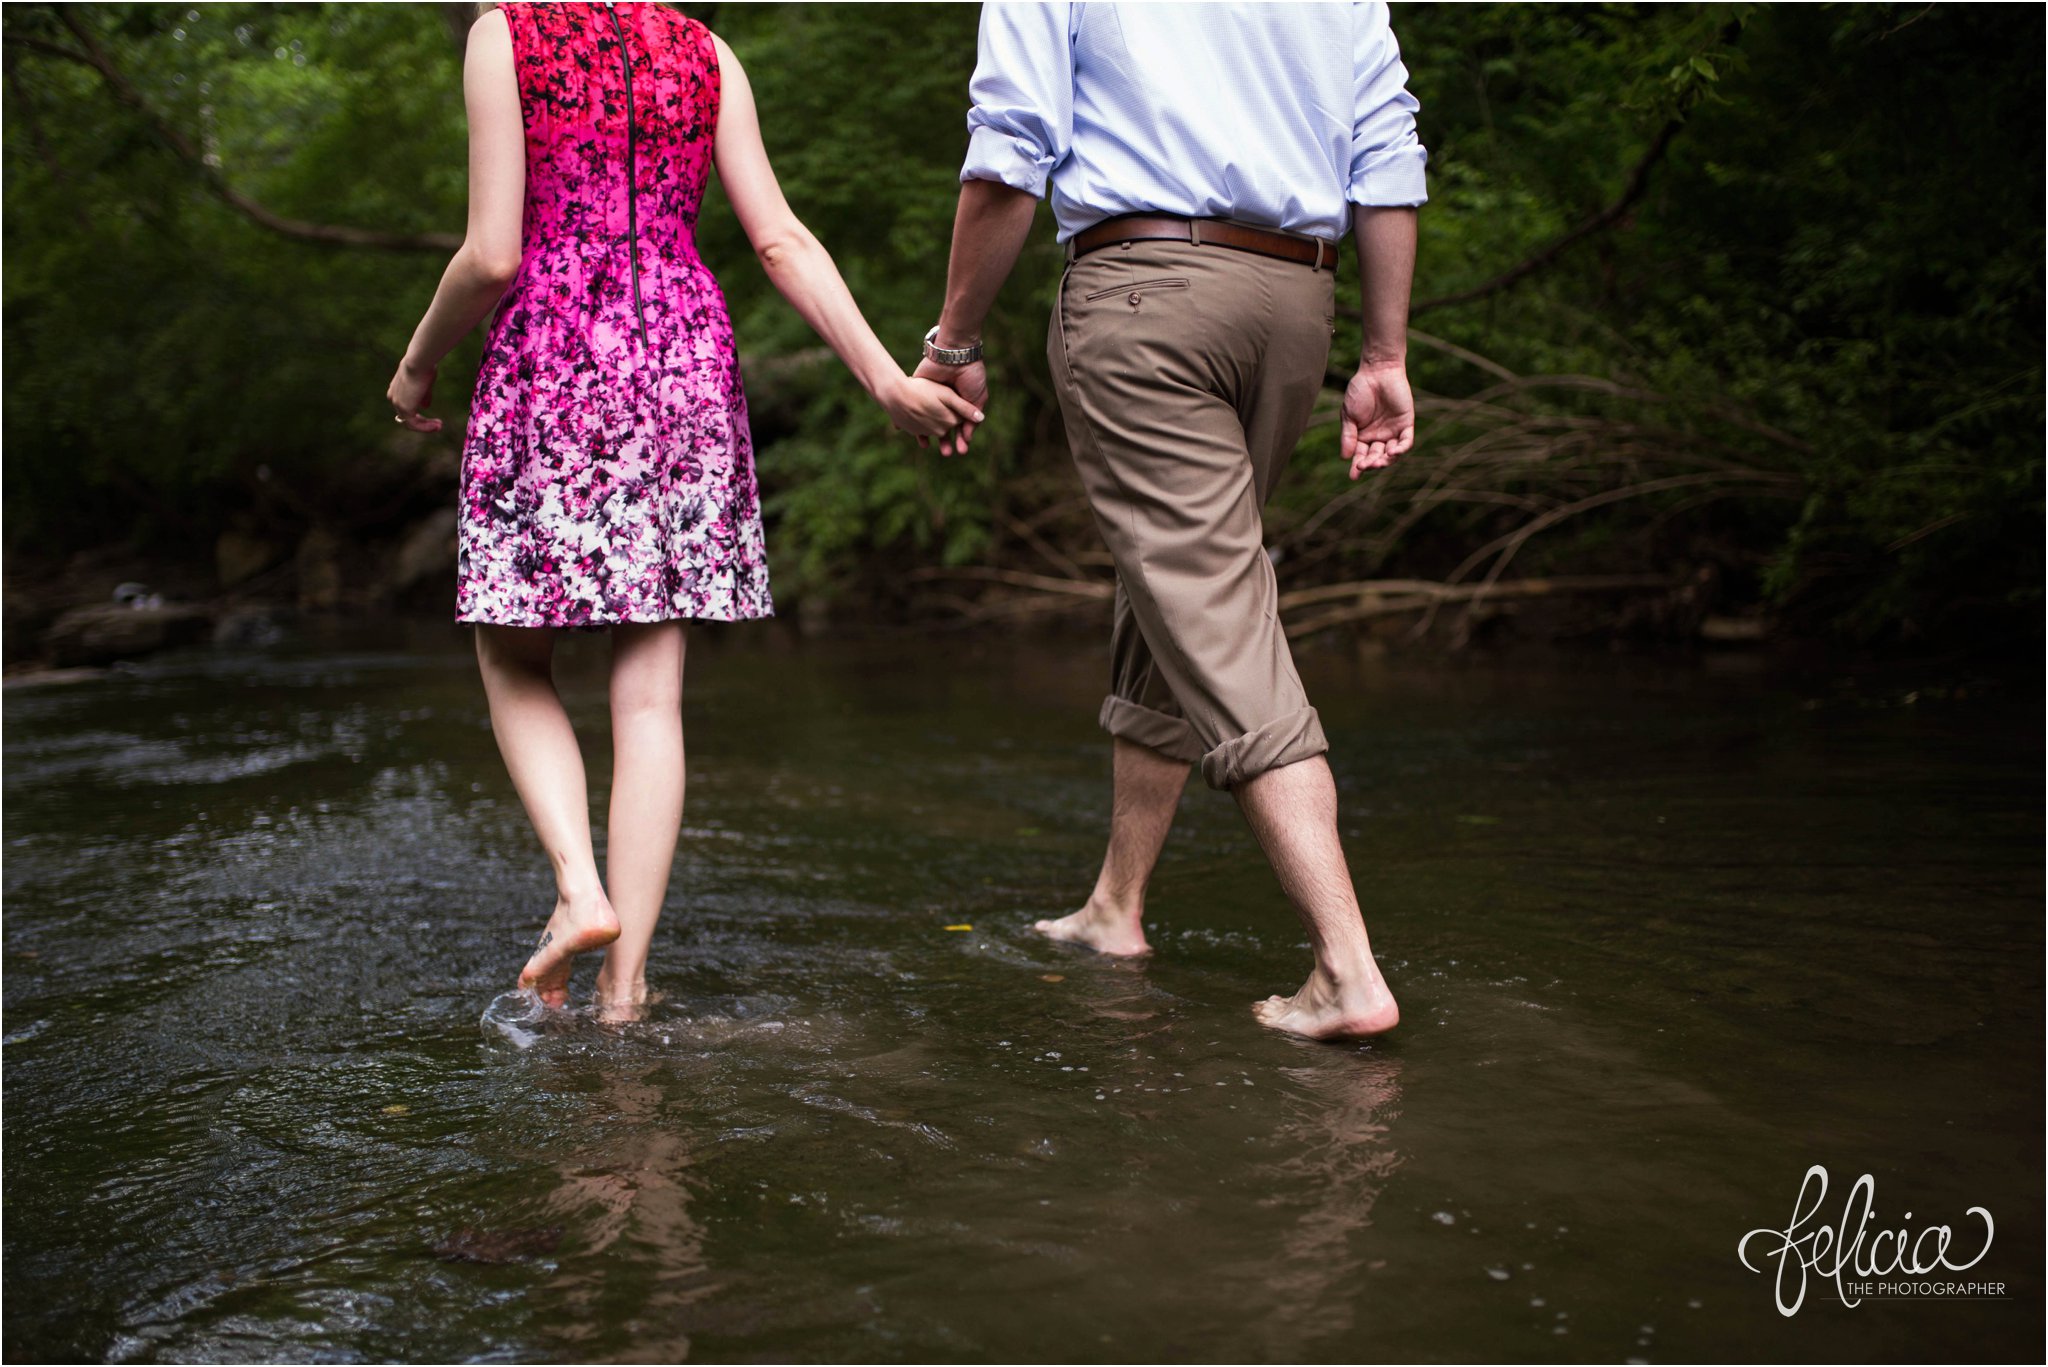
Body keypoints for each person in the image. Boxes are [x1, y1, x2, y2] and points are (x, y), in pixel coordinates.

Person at [386, 1, 979, 1020]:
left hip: (557, 350)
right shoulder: (704, 51)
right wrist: (883, 378)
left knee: (511, 649)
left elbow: (490, 255)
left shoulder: (506, 33)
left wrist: (415, 365)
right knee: (650, 690)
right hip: (682, 357)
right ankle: (625, 990)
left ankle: (579, 885)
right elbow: (781, 240)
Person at [914, 1, 1425, 1039]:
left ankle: (1345, 967)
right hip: (1294, 307)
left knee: (1214, 609)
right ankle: (1115, 903)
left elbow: (1010, 150)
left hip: (1141, 290)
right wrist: (1381, 356)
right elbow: (1386, 155)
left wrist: (956, 340)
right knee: (1185, 589)